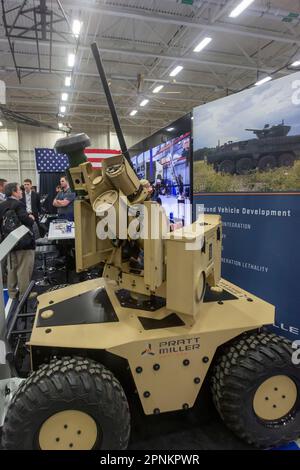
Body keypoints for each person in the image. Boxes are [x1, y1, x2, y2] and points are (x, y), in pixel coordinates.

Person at [0, 182, 36, 299]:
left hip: (9, 241)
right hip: (23, 242)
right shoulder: (19, 204)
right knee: (24, 268)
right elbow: (27, 221)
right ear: (14, 192)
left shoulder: (2, 205)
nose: (21, 191)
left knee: (11, 267)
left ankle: (12, 293)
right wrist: (31, 218)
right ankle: (24, 294)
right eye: (19, 190)